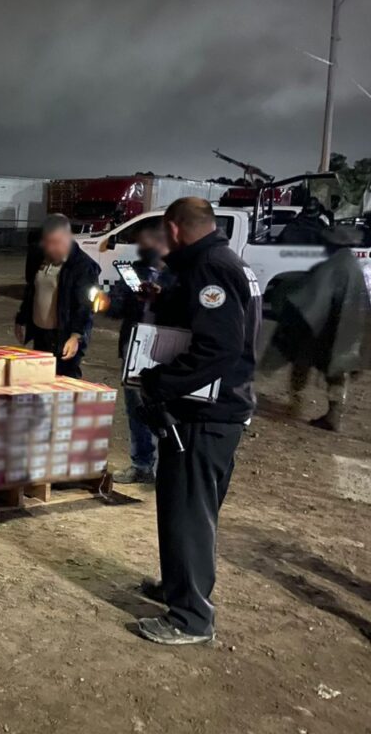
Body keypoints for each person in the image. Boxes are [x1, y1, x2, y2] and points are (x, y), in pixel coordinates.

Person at [134, 197, 261, 645]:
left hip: (206, 414)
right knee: (188, 507)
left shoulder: (210, 268)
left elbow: (217, 348)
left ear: (173, 229)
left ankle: (190, 618)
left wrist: (159, 382)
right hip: (219, 410)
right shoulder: (224, 262)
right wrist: (167, 299)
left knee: (188, 511)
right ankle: (180, 587)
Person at [264, 225, 370, 431]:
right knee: (337, 373)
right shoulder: (353, 266)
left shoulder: (332, 267)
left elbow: (312, 299)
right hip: (346, 330)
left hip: (323, 330)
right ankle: (334, 414)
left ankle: (297, 405)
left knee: (301, 365)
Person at [105, 218, 174, 484]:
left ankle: (167, 468)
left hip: (166, 349)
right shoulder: (133, 271)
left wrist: (163, 297)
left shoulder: (180, 273)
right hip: (134, 348)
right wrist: (108, 302)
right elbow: (116, 308)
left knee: (166, 409)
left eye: (149, 242)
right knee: (136, 408)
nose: (144, 248)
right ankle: (142, 464)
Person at [14, 214, 100, 378]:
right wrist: (21, 318)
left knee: (64, 380)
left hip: (64, 336)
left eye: (55, 242)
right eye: (47, 243)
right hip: (41, 334)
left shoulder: (83, 266)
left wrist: (76, 336)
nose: (50, 248)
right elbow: (31, 291)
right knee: (41, 379)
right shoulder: (39, 257)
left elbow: (85, 306)